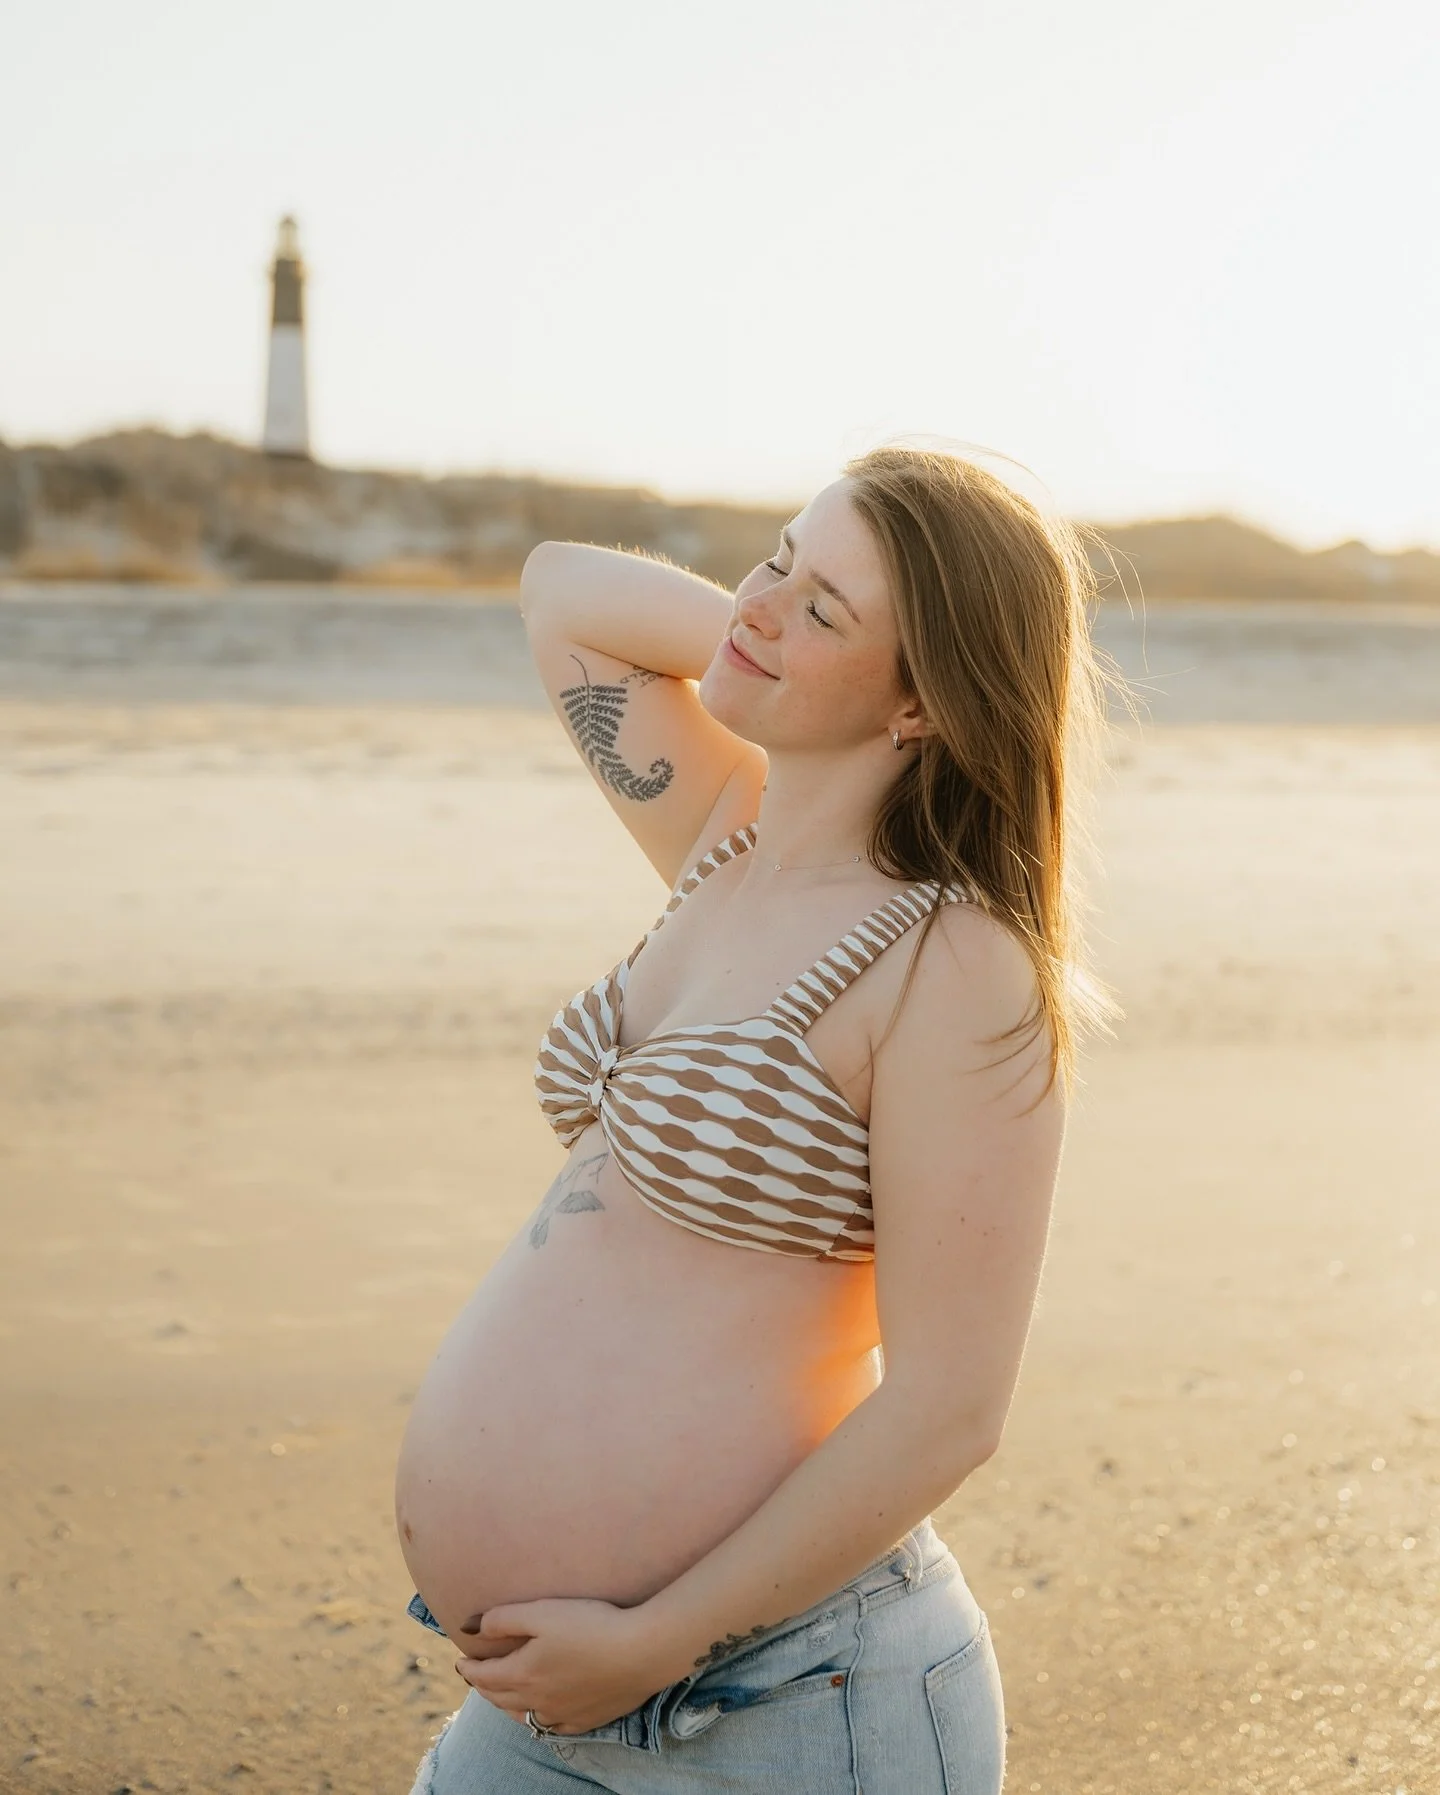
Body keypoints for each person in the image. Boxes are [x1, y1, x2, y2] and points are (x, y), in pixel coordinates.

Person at [396, 444, 1122, 1793]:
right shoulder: (726, 834)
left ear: (924, 704)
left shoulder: (952, 963)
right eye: (778, 558)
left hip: (781, 1696)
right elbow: (563, 594)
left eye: (827, 610)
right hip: (549, 1697)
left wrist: (656, 1636)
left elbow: (953, 1407)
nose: (763, 602)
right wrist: (788, 628)